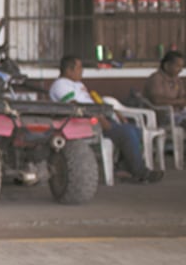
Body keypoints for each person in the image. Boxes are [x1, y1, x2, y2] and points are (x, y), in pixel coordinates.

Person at [50, 55, 162, 183]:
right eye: (79, 67)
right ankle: (140, 172)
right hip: (86, 123)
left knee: (137, 132)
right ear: (69, 70)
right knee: (127, 133)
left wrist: (115, 112)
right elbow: (76, 106)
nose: (82, 71)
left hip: (100, 117)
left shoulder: (77, 83)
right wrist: (100, 119)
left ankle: (122, 168)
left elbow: (93, 102)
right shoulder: (60, 85)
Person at [142, 50, 186, 125]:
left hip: (178, 113)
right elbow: (156, 100)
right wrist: (179, 102)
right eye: (177, 66)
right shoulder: (156, 78)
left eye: (181, 67)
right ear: (167, 65)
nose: (180, 70)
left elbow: (183, 96)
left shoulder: (177, 80)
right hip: (162, 116)